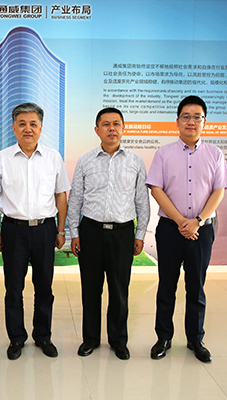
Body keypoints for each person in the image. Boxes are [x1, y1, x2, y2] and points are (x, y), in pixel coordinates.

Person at [146, 95, 227, 363]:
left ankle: (195, 339)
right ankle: (163, 337)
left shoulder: (215, 154)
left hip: (201, 229)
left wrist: (198, 220)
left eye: (197, 117)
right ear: (177, 121)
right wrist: (181, 221)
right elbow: (156, 189)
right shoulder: (163, 153)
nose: (191, 122)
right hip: (170, 229)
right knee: (167, 285)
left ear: (205, 122)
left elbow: (219, 191)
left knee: (196, 285)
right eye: (186, 116)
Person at [0, 102, 71, 360]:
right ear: (13, 128)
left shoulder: (53, 157)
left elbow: (61, 195)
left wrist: (61, 230)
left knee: (44, 286)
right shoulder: (2, 158)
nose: (28, 129)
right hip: (14, 230)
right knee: (13, 288)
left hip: (45, 230)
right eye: (22, 123)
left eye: (33, 124)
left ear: (41, 128)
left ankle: (43, 336)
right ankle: (16, 338)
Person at [67, 107, 150, 360]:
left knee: (119, 290)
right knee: (90, 290)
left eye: (116, 124)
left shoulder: (135, 161)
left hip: (122, 233)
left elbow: (142, 201)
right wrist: (74, 233)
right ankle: (90, 339)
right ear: (97, 130)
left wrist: (140, 234)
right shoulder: (85, 161)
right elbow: (75, 199)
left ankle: (118, 341)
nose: (111, 128)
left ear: (123, 129)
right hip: (91, 232)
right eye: (106, 124)